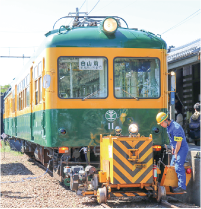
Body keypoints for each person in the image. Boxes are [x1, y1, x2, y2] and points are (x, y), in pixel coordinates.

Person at [156, 112, 189, 193]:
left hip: (181, 148)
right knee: (171, 167)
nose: (161, 125)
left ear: (166, 120)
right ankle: (170, 187)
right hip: (177, 148)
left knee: (178, 166)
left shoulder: (176, 127)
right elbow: (172, 141)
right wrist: (173, 148)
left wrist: (176, 153)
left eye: (161, 123)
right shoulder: (169, 127)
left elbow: (179, 142)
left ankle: (182, 187)